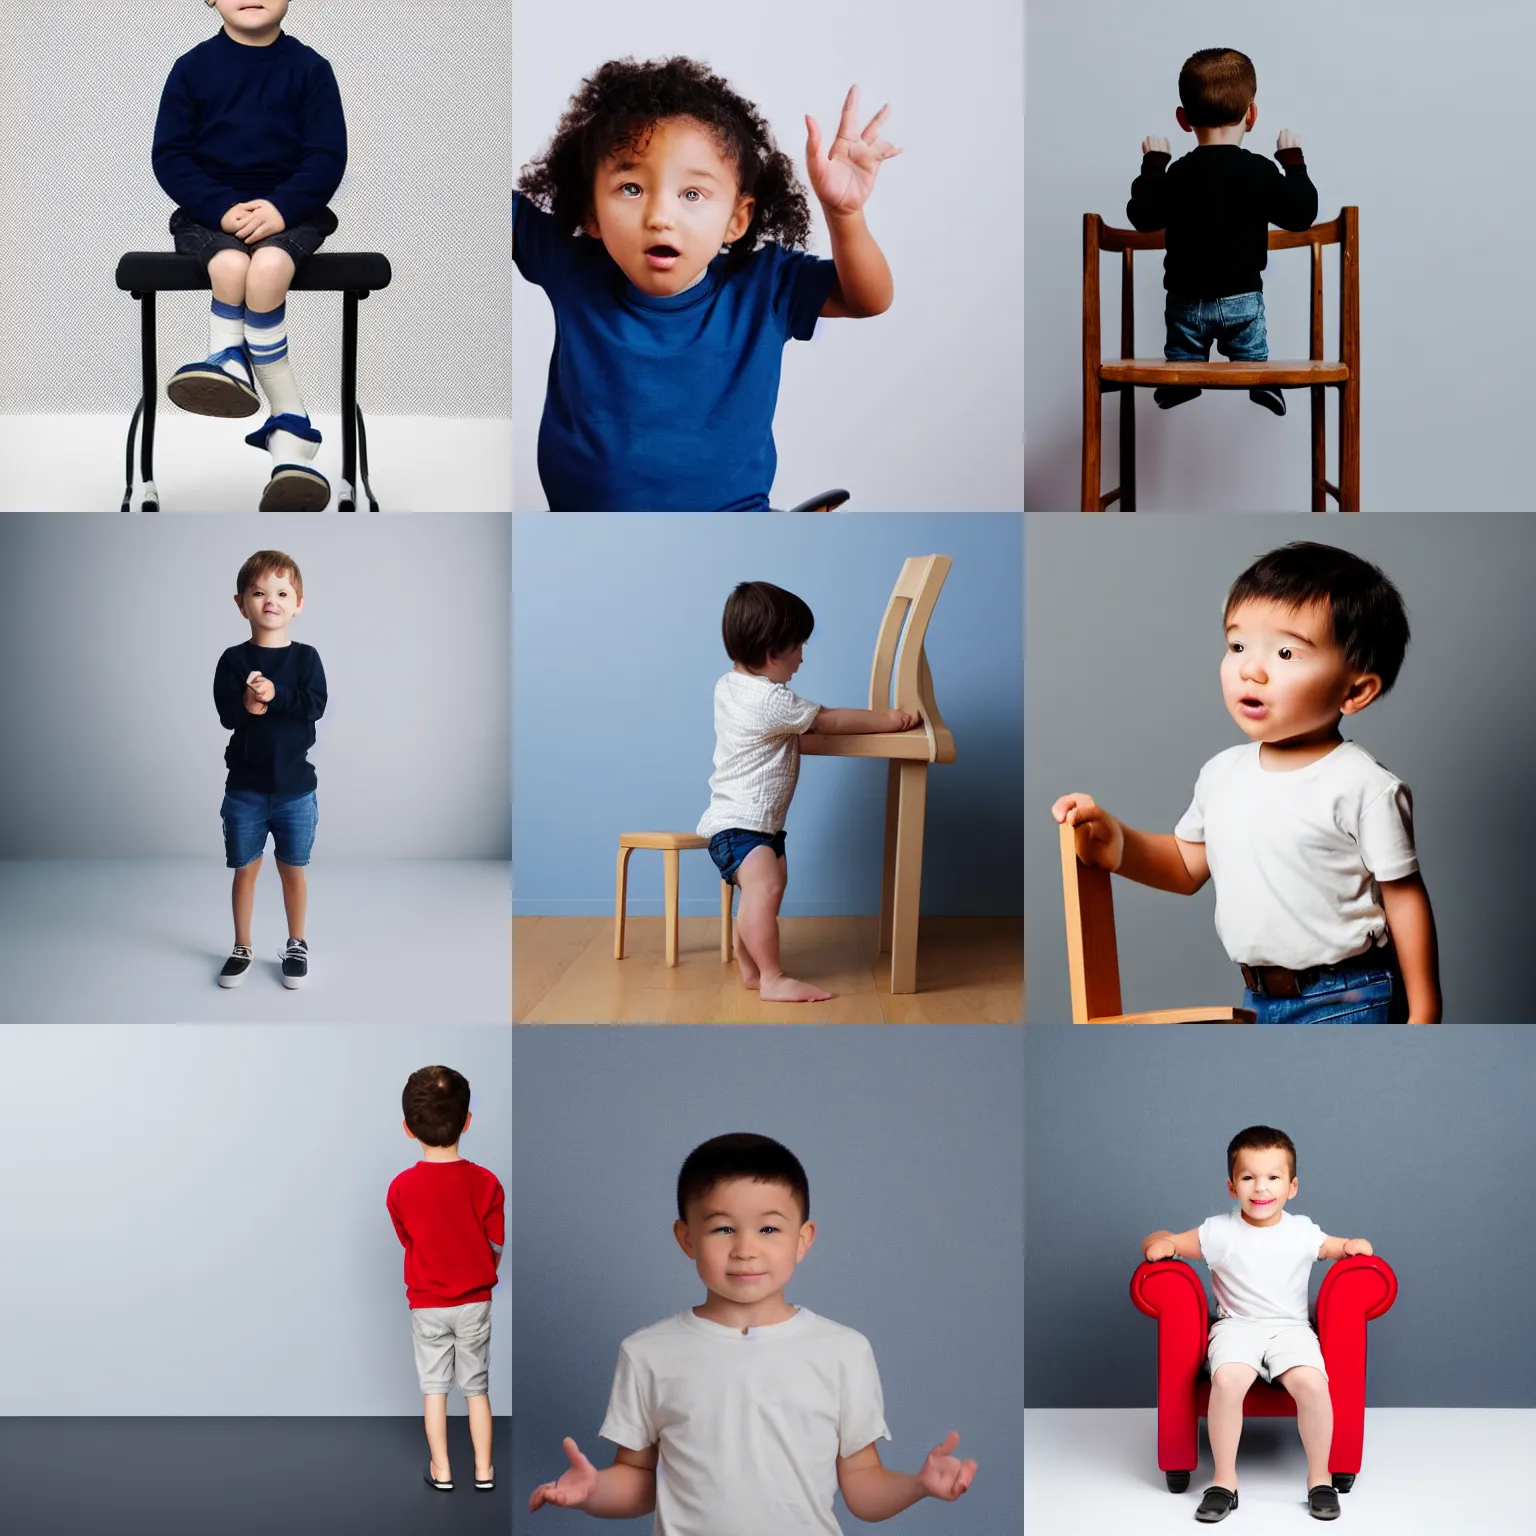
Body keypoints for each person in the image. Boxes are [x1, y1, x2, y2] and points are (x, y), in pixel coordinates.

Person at [1053, 542, 1440, 1024]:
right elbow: (1184, 865)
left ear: (1355, 690)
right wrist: (1117, 841)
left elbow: (1404, 899)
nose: (1250, 670)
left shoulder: (1362, 784)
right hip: (1260, 998)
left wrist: (1423, 1013)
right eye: (1237, 646)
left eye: (1284, 652)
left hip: (1347, 995)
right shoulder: (1221, 773)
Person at [529, 1132, 977, 1528]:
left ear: (803, 1239)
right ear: (687, 1238)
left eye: (768, 1228)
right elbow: (639, 1479)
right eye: (723, 1228)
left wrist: (919, 1485)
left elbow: (862, 1485)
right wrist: (593, 1492)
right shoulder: (647, 1352)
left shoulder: (843, 1351)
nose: (745, 1249)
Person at [513, 56, 899, 509]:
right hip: (588, 534)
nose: (660, 217)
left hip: (731, 524)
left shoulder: (765, 287)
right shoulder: (572, 267)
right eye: (632, 188)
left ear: (737, 219)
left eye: (692, 194)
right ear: (591, 212)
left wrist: (845, 214)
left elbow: (868, 299)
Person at [153, 0, 346, 509]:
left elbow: (326, 157)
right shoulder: (191, 69)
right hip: (210, 214)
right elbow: (171, 156)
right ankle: (285, 422)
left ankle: (232, 361)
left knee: (267, 267)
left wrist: (281, 209)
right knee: (232, 264)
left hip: (291, 212)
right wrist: (221, 208)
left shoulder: (311, 70)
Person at [1141, 1125, 1375, 1522]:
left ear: (1292, 1186)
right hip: (1237, 1328)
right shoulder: (1219, 1231)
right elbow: (1166, 1239)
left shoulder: (1301, 1231)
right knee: (1229, 1379)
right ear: (1232, 1187)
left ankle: (1320, 1479)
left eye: (1273, 1178)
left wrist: (1353, 1246)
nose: (1260, 1188)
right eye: (1248, 1177)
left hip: (1290, 1329)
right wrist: (1158, 1243)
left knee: (1313, 1384)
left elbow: (1336, 1246)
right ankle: (1224, 1481)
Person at [699, 581, 919, 1002]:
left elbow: (792, 739)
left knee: (765, 890)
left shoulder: (730, 686)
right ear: (771, 654)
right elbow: (827, 721)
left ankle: (751, 968)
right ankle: (772, 977)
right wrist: (888, 720)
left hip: (750, 824)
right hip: (742, 824)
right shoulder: (772, 702)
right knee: (764, 892)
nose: (803, 656)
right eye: (798, 646)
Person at [1127, 46, 1317, 415]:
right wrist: (1293, 160)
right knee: (1251, 345)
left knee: (1183, 347)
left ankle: (1182, 374)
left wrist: (1153, 166)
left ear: (1183, 119)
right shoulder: (1260, 171)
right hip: (1241, 301)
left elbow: (1143, 216)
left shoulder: (1178, 174)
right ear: (1252, 115)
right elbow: (1301, 214)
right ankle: (1259, 375)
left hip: (1186, 303)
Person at [387, 1065, 505, 1493]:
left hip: (428, 1303)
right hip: (474, 1301)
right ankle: (484, 1470)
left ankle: (442, 1470)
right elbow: (495, 1243)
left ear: (407, 1129)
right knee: (477, 1390)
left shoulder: (400, 1188)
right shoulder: (487, 1182)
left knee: (434, 1390)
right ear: (467, 1121)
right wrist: (482, 1269)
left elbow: (408, 1239)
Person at [213, 549, 326, 988]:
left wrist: (276, 694)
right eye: (259, 592)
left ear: (299, 603)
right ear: (241, 603)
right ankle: (242, 946)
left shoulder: (306, 659)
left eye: (282, 592)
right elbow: (227, 716)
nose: (271, 600)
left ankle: (297, 942)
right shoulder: (232, 660)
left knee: (292, 869)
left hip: (296, 790)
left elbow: (313, 707)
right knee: (245, 869)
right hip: (245, 790)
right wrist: (249, 703)